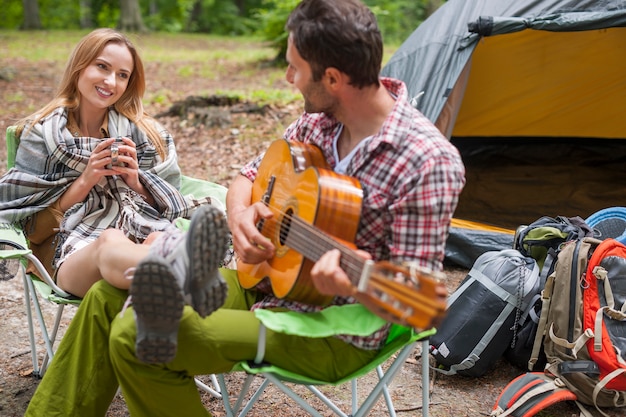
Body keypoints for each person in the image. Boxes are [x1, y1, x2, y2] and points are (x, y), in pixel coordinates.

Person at [24, 1, 465, 416]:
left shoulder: (427, 161)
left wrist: (357, 283)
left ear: (332, 78)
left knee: (140, 335)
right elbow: (248, 177)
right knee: (106, 295)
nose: (288, 77)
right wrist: (241, 219)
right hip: (263, 284)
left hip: (336, 325)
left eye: (294, 67)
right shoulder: (316, 122)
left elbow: (418, 303)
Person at [0, 28, 222, 299]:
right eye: (102, 67)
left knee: (159, 239)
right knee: (110, 240)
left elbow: (171, 201)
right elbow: (30, 229)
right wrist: (85, 181)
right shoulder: (42, 135)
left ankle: (166, 282)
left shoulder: (145, 134)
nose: (111, 81)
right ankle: (182, 278)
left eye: (122, 75)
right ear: (79, 67)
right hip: (69, 249)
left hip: (139, 231)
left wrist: (138, 184)